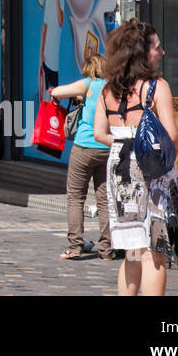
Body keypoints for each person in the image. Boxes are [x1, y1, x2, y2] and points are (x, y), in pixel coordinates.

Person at [93, 19, 178, 296]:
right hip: (152, 170)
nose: (162, 52)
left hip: (119, 167)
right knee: (155, 253)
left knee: (132, 251)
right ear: (141, 53)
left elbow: (100, 133)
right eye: (157, 48)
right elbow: (173, 135)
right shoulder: (156, 87)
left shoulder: (107, 89)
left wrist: (126, 141)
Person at [49, 54, 114, 259]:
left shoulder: (88, 85)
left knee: (76, 198)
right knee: (104, 199)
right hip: (106, 146)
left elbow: (57, 92)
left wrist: (80, 96)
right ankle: (107, 248)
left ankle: (75, 246)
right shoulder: (114, 88)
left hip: (84, 146)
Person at [40, 0, 64, 103]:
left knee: (56, 91)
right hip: (47, 53)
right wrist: (42, 51)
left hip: (55, 55)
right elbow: (46, 27)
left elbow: (60, 21)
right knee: (48, 91)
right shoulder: (48, 0)